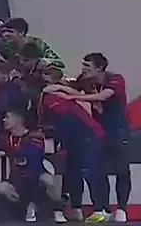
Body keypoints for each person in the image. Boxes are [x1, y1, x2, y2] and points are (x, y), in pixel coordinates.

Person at [59, 53, 131, 223]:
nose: (83, 69)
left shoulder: (115, 79)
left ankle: (121, 209)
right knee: (96, 170)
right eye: (83, 64)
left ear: (99, 68)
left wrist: (73, 97)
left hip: (119, 131)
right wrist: (57, 87)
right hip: (99, 132)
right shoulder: (85, 80)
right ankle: (103, 209)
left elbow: (103, 96)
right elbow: (71, 87)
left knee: (121, 170)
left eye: (87, 66)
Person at [40, 68, 110, 223]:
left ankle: (101, 210)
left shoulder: (56, 96)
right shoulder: (49, 96)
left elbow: (68, 119)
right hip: (74, 139)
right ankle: (77, 209)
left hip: (89, 136)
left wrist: (60, 137)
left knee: (91, 173)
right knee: (73, 173)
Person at [1, 18, 65, 70]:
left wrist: (41, 62)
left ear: (22, 33)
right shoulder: (5, 46)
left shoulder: (38, 44)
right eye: (3, 31)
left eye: (10, 31)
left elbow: (59, 63)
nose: (5, 34)